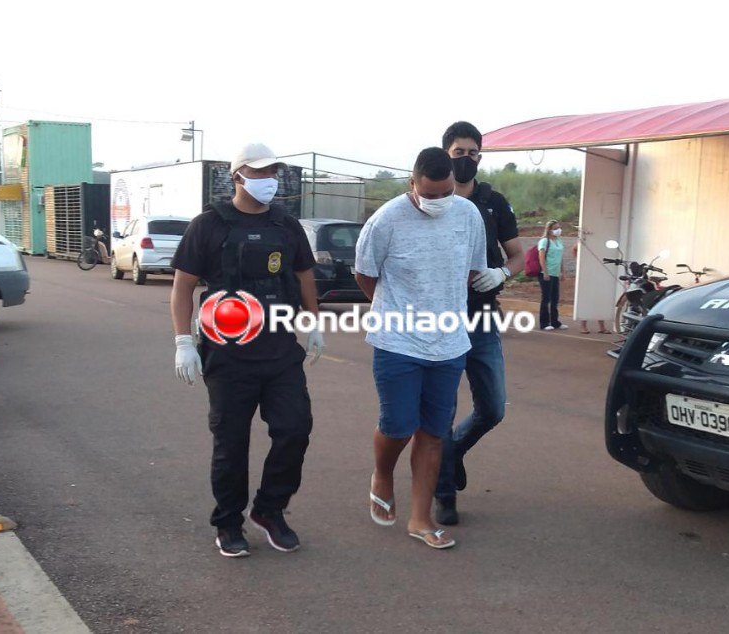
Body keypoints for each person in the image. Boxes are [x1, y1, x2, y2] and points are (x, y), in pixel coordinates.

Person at [170, 142, 325, 558]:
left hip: (280, 351)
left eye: (272, 172)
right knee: (231, 444)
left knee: (295, 429)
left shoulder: (286, 225)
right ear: (237, 176)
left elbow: (303, 275)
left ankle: (270, 509)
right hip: (228, 355)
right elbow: (183, 286)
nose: (268, 180)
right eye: (259, 172)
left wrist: (313, 323)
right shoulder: (209, 225)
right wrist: (183, 341)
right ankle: (228, 522)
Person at [355, 147, 486, 550]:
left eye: (446, 193)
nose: (439, 201)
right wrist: (398, 311)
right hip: (397, 341)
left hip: (449, 342)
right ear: (412, 184)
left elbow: (471, 269)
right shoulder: (386, 220)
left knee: (433, 432)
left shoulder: (468, 215)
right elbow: (365, 274)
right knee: (398, 425)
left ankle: (420, 519)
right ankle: (382, 474)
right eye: (429, 194)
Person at [433, 121, 524, 526]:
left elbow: (517, 255)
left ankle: (451, 451)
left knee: (493, 407)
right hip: (441, 318)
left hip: (483, 316)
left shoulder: (493, 202)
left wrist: (502, 273)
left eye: (472, 153)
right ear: (445, 154)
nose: (466, 159)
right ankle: (443, 493)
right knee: (443, 408)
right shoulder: (433, 198)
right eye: (459, 152)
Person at [572, 243, 611, 334]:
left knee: (600, 298)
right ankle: (583, 326)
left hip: (600, 272)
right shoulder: (588, 240)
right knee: (586, 299)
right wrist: (579, 260)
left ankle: (602, 327)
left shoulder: (602, 242)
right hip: (587, 272)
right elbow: (574, 248)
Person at [538, 220, 566, 331]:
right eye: (555, 228)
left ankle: (555, 321)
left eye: (558, 228)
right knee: (546, 298)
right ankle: (544, 323)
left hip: (555, 273)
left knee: (555, 298)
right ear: (549, 230)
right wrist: (545, 272)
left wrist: (562, 272)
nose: (558, 230)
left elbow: (561, 257)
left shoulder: (559, 241)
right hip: (546, 273)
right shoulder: (544, 241)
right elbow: (541, 257)